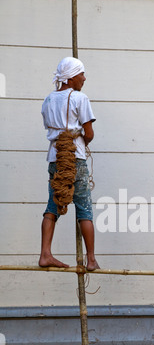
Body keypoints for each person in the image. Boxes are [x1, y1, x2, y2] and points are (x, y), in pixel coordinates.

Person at [39, 56, 99, 271]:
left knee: (52, 205)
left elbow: (51, 128)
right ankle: (91, 259)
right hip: (74, 158)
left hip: (55, 158)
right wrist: (82, 139)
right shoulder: (80, 98)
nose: (84, 78)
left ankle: (45, 254)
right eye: (81, 73)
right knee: (84, 208)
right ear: (72, 77)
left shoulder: (48, 99)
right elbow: (89, 133)